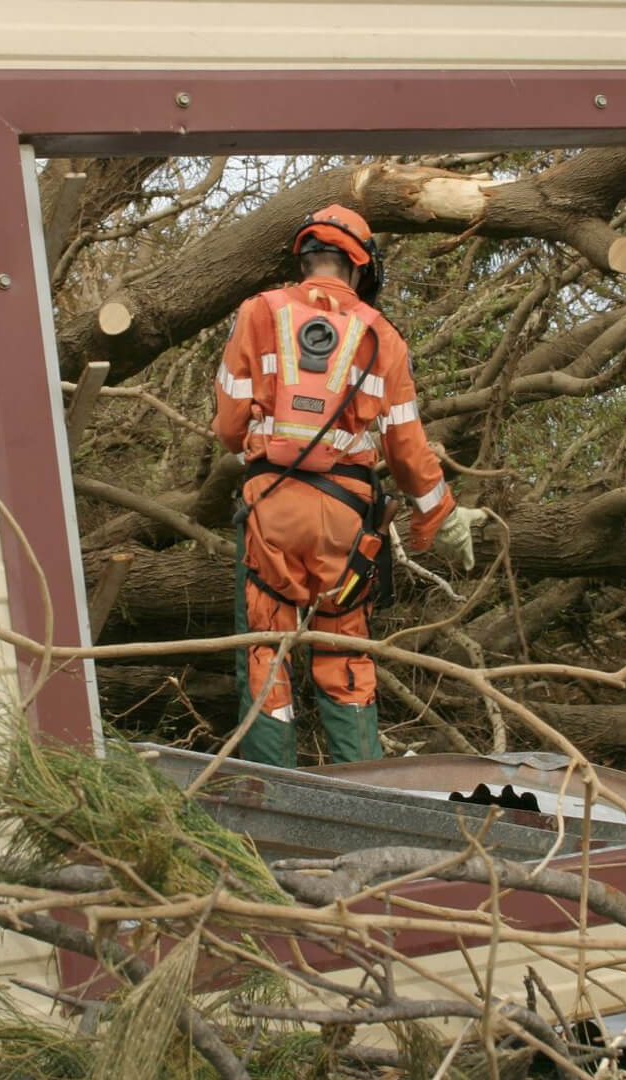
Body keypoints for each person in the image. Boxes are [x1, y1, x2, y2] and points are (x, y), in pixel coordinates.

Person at [211, 203, 486, 768]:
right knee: (345, 656)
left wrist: (260, 454)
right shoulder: (382, 335)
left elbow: (228, 424)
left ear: (306, 259)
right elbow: (407, 451)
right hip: (346, 523)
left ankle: (271, 794)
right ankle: (364, 792)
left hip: (271, 513)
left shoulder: (258, 313)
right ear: (361, 269)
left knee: (266, 650)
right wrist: (442, 516)